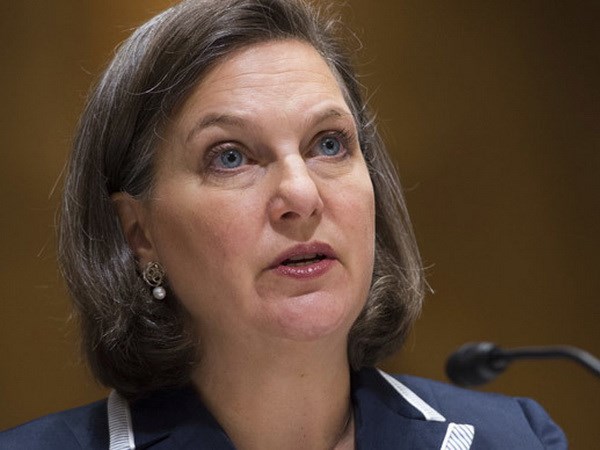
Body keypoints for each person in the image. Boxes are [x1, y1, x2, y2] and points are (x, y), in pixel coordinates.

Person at [0, 0, 567, 449]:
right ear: (139, 233)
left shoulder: (515, 439)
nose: (301, 195)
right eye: (230, 157)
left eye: (329, 144)